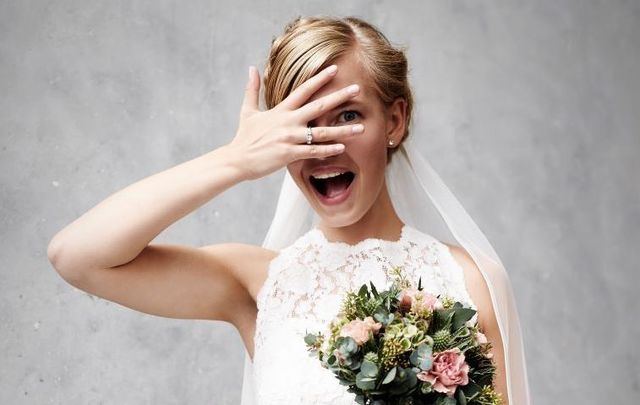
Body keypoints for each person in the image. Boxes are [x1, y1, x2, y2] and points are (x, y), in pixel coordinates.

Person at [48, 15, 530, 405]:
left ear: (395, 121)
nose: (322, 147)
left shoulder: (471, 280)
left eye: (348, 116)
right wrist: (234, 160)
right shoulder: (257, 282)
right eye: (302, 125)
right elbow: (76, 256)